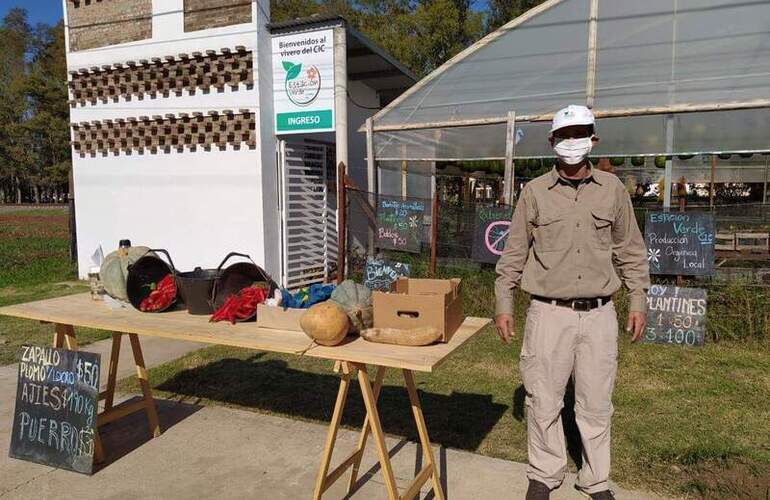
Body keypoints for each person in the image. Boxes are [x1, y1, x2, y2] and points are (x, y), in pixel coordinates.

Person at [494, 105, 650, 500]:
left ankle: (595, 479)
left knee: (596, 402)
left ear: (593, 139)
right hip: (548, 314)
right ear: (552, 142)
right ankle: (545, 473)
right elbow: (513, 253)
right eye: (564, 135)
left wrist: (638, 299)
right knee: (543, 398)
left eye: (580, 133)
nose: (572, 141)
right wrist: (503, 302)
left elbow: (631, 250)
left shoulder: (613, 190)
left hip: (599, 316)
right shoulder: (534, 193)